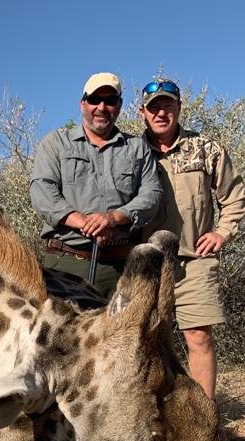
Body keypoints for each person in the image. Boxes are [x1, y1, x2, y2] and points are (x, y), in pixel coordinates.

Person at [139, 80, 245, 399]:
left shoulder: (206, 148)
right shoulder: (132, 152)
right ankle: (156, 416)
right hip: (147, 264)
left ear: (179, 108)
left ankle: (203, 418)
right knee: (145, 342)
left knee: (198, 338)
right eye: (154, 107)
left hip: (194, 260)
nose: (161, 113)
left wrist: (221, 233)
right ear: (143, 112)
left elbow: (236, 197)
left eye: (168, 105)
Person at [30, 73, 162, 298]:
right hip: (66, 264)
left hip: (123, 267)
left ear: (119, 106)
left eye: (110, 101)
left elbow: (152, 194)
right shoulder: (56, 143)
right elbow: (42, 191)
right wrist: (85, 223)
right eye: (94, 100)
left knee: (124, 333)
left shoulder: (137, 148)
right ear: (83, 103)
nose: (102, 107)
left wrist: (112, 219)